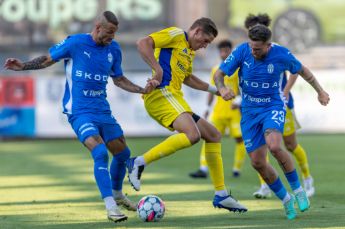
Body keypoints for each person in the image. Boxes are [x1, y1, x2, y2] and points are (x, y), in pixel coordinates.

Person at [4, 11, 156, 223]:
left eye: (115, 33)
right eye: (109, 33)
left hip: (103, 111)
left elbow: (119, 79)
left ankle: (118, 194)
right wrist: (23, 66)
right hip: (79, 111)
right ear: (98, 27)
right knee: (101, 152)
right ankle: (111, 207)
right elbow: (48, 60)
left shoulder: (114, 49)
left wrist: (141, 90)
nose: (112, 37)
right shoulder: (75, 43)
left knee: (123, 155)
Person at [126, 18, 247, 213]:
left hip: (175, 98)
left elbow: (189, 79)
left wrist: (218, 91)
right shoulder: (176, 34)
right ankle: (138, 162)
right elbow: (143, 43)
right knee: (193, 135)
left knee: (214, 135)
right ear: (197, 31)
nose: (204, 46)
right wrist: (157, 69)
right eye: (205, 41)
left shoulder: (188, 51)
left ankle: (221, 194)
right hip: (161, 95)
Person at [214, 24, 329, 219]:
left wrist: (320, 91)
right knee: (258, 162)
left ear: (268, 46)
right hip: (249, 113)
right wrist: (222, 88)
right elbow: (219, 74)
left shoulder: (281, 54)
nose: (253, 51)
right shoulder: (242, 51)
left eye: (257, 49)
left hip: (272, 107)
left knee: (275, 146)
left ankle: (299, 191)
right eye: (251, 47)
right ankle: (286, 200)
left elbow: (304, 72)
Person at [243, 14, 315, 199]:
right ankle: (265, 185)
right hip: (256, 106)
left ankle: (307, 179)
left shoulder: (278, 51)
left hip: (280, 103)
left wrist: (286, 91)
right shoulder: (248, 51)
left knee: (290, 145)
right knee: (263, 148)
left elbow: (296, 71)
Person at [189, 40, 246, 179]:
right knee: (208, 137)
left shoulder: (238, 69)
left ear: (231, 51)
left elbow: (243, 88)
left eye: (226, 51)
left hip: (234, 112)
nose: (224, 53)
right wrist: (207, 107)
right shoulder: (216, 69)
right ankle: (203, 168)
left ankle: (236, 169)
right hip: (218, 111)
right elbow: (211, 89)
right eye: (221, 51)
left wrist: (239, 101)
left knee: (240, 140)